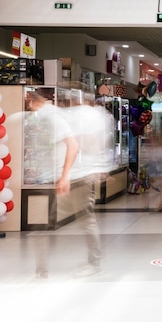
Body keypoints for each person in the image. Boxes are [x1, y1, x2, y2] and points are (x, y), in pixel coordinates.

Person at [27, 88, 112, 278]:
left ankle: (91, 263)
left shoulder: (60, 116)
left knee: (82, 219)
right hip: (70, 175)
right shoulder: (92, 115)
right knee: (80, 219)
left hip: (74, 175)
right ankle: (42, 269)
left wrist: (64, 176)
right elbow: (96, 143)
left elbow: (75, 145)